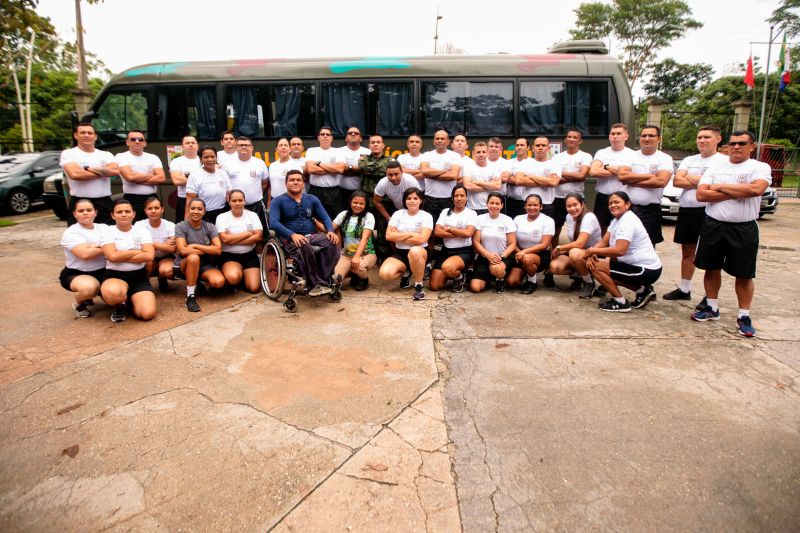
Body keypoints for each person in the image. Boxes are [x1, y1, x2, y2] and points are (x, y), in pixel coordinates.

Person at [690, 130, 772, 338]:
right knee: (711, 267)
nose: (736, 147)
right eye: (733, 143)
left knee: (744, 273)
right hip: (714, 225)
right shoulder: (716, 166)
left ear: (751, 146)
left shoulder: (760, 167)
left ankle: (744, 315)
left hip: (743, 227)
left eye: (742, 143)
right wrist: (738, 191)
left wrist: (719, 188)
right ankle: (711, 307)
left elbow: (756, 190)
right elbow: (701, 194)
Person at [662, 126, 727, 301]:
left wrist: (691, 179)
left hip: (710, 212)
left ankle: (710, 295)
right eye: (699, 137)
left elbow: (719, 183)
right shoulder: (689, 160)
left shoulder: (723, 161)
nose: (702, 141)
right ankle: (684, 289)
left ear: (718, 139)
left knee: (710, 254)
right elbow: (677, 181)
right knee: (687, 251)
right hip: (687, 211)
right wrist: (706, 181)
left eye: (706, 137)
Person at [581, 191, 662, 312]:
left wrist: (591, 251)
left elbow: (620, 250)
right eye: (610, 203)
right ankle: (642, 291)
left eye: (617, 202)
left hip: (645, 270)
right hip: (639, 267)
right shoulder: (617, 219)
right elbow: (604, 242)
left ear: (627, 204)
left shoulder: (627, 221)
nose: (613, 205)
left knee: (595, 267)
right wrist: (593, 252)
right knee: (602, 269)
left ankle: (620, 302)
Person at [270, 169, 341, 296]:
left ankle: (323, 280)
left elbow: (325, 217)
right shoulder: (278, 201)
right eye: (292, 180)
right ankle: (312, 284)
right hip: (289, 238)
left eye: (298, 180)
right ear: (286, 183)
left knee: (333, 242)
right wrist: (292, 234)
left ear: (303, 183)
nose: (295, 182)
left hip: (312, 235)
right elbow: (274, 223)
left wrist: (330, 231)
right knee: (304, 244)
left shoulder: (311, 199)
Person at [99, 199, 156, 323]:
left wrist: (120, 253)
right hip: (115, 276)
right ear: (113, 215)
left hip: (139, 277)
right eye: (119, 212)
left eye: (127, 211)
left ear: (133, 214)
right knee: (113, 294)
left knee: (147, 314)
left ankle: (128, 300)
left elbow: (149, 256)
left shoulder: (142, 231)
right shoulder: (107, 231)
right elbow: (112, 257)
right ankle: (119, 304)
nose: (124, 214)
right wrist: (137, 251)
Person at [618, 125, 673, 245]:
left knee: (647, 245)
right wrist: (650, 176)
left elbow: (661, 182)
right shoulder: (630, 156)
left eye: (651, 135)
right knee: (623, 243)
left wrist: (631, 180)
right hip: (627, 208)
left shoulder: (665, 158)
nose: (647, 138)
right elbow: (622, 177)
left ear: (659, 138)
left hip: (650, 210)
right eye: (644, 135)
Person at [379, 187, 433, 301]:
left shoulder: (426, 216)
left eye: (415, 198)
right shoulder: (398, 214)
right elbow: (388, 236)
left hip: (420, 252)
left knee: (414, 251)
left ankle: (419, 285)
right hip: (401, 253)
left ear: (421, 200)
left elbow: (422, 239)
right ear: (404, 200)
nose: (412, 201)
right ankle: (407, 272)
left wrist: (399, 235)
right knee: (385, 274)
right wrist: (411, 234)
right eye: (409, 198)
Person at [60, 123, 119, 224]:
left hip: (104, 202)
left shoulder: (106, 154)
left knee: (107, 236)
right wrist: (103, 171)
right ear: (76, 135)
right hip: (80, 202)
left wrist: (87, 169)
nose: (86, 135)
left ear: (95, 136)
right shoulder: (69, 154)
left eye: (90, 133)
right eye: (82, 132)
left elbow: (115, 171)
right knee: (79, 236)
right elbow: (75, 174)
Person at [59, 198, 107, 318]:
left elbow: (118, 244)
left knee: (114, 297)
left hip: (104, 271)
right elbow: (84, 254)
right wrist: (105, 246)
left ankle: (92, 296)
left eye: (89, 210)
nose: (85, 213)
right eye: (81, 211)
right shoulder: (71, 232)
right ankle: (78, 303)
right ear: (75, 214)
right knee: (90, 287)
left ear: (95, 212)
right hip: (77, 273)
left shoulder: (104, 228)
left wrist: (93, 247)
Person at [175, 198, 225, 312]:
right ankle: (190, 297)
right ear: (188, 210)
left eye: (199, 209)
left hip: (205, 264)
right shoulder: (180, 226)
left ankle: (199, 282)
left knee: (218, 282)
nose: (196, 211)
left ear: (204, 211)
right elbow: (183, 251)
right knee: (193, 257)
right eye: (193, 208)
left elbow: (218, 250)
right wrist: (208, 249)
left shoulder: (210, 226)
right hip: (185, 263)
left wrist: (195, 246)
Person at [549, 192, 603, 297]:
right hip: (579, 252)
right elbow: (574, 241)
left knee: (574, 253)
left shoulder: (589, 217)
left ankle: (589, 282)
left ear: (582, 204)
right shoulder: (569, 217)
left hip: (594, 254)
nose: (572, 208)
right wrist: (563, 251)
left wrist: (560, 247)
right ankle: (580, 274)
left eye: (575, 205)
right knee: (555, 267)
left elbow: (580, 243)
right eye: (569, 206)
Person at [429, 185, 477, 293]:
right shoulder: (445, 211)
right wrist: (460, 232)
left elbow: (468, 233)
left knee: (447, 267)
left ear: (466, 198)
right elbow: (437, 232)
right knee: (434, 286)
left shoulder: (471, 213)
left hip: (463, 251)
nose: (459, 198)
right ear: (452, 198)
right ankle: (453, 272)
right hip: (446, 251)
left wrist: (449, 228)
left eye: (462, 195)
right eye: (456, 196)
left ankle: (459, 277)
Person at [589, 123, 636, 233]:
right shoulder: (601, 152)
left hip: (623, 198)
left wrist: (606, 166)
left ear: (626, 136)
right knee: (600, 228)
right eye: (612, 134)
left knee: (621, 228)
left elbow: (627, 174)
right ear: (609, 136)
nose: (615, 136)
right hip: (602, 198)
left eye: (619, 134)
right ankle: (603, 249)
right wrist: (619, 171)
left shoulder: (633, 154)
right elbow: (594, 171)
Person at [215, 189, 263, 293]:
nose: (237, 203)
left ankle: (242, 277)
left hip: (249, 255)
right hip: (229, 256)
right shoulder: (222, 217)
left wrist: (232, 239)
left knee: (254, 288)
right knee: (233, 278)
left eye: (240, 200)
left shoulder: (252, 215)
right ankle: (233, 276)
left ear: (244, 201)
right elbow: (224, 239)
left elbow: (258, 237)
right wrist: (247, 234)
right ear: (229, 202)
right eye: (234, 200)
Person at [508, 194, 555, 294]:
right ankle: (526, 272)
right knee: (512, 282)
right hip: (519, 252)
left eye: (535, 205)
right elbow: (512, 241)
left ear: (541, 206)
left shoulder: (548, 221)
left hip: (540, 254)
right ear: (525, 206)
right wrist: (519, 252)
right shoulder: (517, 219)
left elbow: (544, 244)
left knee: (527, 258)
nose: (532, 208)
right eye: (529, 205)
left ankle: (532, 282)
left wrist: (524, 252)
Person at [470, 192, 517, 294]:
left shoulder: (507, 220)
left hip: (503, 257)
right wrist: (488, 255)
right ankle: (490, 277)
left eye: (497, 203)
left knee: (496, 269)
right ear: (487, 204)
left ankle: (500, 279)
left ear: (501, 205)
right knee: (475, 287)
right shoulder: (480, 219)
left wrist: (502, 256)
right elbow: (476, 242)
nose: (494, 206)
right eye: (491, 203)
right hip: (484, 256)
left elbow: (512, 244)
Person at [372, 161, 419, 260]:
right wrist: (388, 218)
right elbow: (376, 201)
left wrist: (413, 215)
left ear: (402, 172)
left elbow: (418, 199)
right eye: (390, 175)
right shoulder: (383, 183)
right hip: (396, 209)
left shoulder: (410, 180)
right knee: (392, 233)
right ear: (386, 174)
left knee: (414, 231)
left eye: (396, 174)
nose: (393, 178)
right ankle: (398, 257)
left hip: (413, 208)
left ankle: (418, 258)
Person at [115, 131, 165, 221]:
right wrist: (151, 175)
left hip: (152, 198)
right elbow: (130, 177)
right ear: (127, 142)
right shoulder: (121, 157)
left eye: (140, 139)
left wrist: (136, 179)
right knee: (132, 227)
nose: (137, 141)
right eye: (133, 139)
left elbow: (161, 178)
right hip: (132, 199)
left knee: (153, 226)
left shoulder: (153, 157)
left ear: (145, 143)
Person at [221, 136, 269, 230]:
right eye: (241, 145)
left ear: (251, 147)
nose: (243, 147)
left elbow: (264, 183)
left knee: (260, 234)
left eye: (246, 145)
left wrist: (254, 195)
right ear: (236, 147)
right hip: (234, 207)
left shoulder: (260, 163)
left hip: (256, 206)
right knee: (235, 232)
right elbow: (224, 185)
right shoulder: (227, 164)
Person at [551, 129, 591, 240]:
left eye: (575, 137)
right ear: (565, 140)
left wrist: (561, 173)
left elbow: (582, 176)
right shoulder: (556, 157)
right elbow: (554, 179)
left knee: (579, 229)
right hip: (558, 198)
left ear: (580, 141)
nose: (571, 139)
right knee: (555, 229)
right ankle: (554, 254)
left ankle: (577, 252)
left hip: (577, 199)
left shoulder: (586, 156)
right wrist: (575, 177)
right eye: (569, 137)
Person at [333, 190, 377, 291]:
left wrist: (357, 257)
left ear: (366, 205)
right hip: (347, 254)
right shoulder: (344, 214)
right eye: (355, 202)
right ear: (350, 202)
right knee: (335, 279)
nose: (358, 205)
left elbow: (365, 238)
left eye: (361, 203)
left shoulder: (369, 216)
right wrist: (314, 221)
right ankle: (354, 274)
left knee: (359, 265)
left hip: (366, 254)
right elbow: (329, 228)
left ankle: (363, 278)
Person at [419, 130, 462, 226]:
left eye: (442, 139)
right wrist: (446, 172)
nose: (439, 141)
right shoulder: (427, 155)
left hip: (449, 198)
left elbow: (454, 176)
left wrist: (432, 175)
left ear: (448, 142)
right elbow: (424, 171)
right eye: (437, 138)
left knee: (447, 227)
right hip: (430, 198)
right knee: (430, 229)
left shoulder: (455, 156)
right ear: (434, 141)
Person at [134, 196, 176, 292]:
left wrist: (148, 244)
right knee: (148, 262)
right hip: (147, 257)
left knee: (167, 271)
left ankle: (162, 278)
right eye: (150, 208)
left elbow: (172, 249)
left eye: (156, 208)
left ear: (162, 209)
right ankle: (145, 284)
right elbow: (137, 245)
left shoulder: (170, 225)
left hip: (165, 257)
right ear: (145, 210)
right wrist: (163, 245)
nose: (153, 211)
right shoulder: (139, 225)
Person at [305, 127, 346, 219]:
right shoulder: (311, 151)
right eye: (322, 134)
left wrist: (319, 164)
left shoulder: (338, 151)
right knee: (315, 218)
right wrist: (332, 169)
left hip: (334, 192)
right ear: (318, 137)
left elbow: (340, 169)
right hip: (315, 191)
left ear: (332, 138)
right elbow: (310, 169)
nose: (325, 136)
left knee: (336, 219)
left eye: (328, 134)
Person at [185, 146, 232, 222]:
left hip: (223, 213)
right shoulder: (194, 176)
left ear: (216, 158)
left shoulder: (223, 173)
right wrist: (187, 222)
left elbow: (229, 195)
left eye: (212, 156)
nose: (210, 159)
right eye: (206, 157)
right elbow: (189, 201)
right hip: (203, 215)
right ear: (201, 159)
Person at [462, 141, 501, 215]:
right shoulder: (468, 167)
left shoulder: (494, 168)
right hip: (471, 208)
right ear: (473, 154)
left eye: (483, 152)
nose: (481, 154)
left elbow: (498, 186)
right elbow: (468, 186)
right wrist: (489, 185)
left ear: (487, 153)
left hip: (489, 208)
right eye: (478, 152)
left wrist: (478, 183)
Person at [168, 135, 200, 223]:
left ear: (197, 146)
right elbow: (177, 180)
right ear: (182, 146)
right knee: (183, 227)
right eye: (187, 143)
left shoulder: (203, 160)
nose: (190, 145)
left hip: (203, 198)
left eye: (193, 143)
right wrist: (201, 179)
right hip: (184, 199)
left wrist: (187, 177)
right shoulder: (176, 161)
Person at [338, 127, 370, 202]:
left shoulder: (368, 152)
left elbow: (367, 171)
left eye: (356, 133)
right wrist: (359, 171)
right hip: (342, 191)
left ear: (361, 139)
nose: (353, 134)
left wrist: (348, 167)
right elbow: (339, 169)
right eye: (350, 133)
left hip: (362, 191)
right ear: (346, 138)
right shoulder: (338, 151)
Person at [504, 138, 531, 218]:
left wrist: (513, 177)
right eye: (517, 145)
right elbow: (506, 178)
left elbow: (533, 180)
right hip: (511, 202)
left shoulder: (533, 162)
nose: (519, 147)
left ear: (528, 148)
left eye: (522, 145)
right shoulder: (509, 162)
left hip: (528, 201)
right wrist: (522, 179)